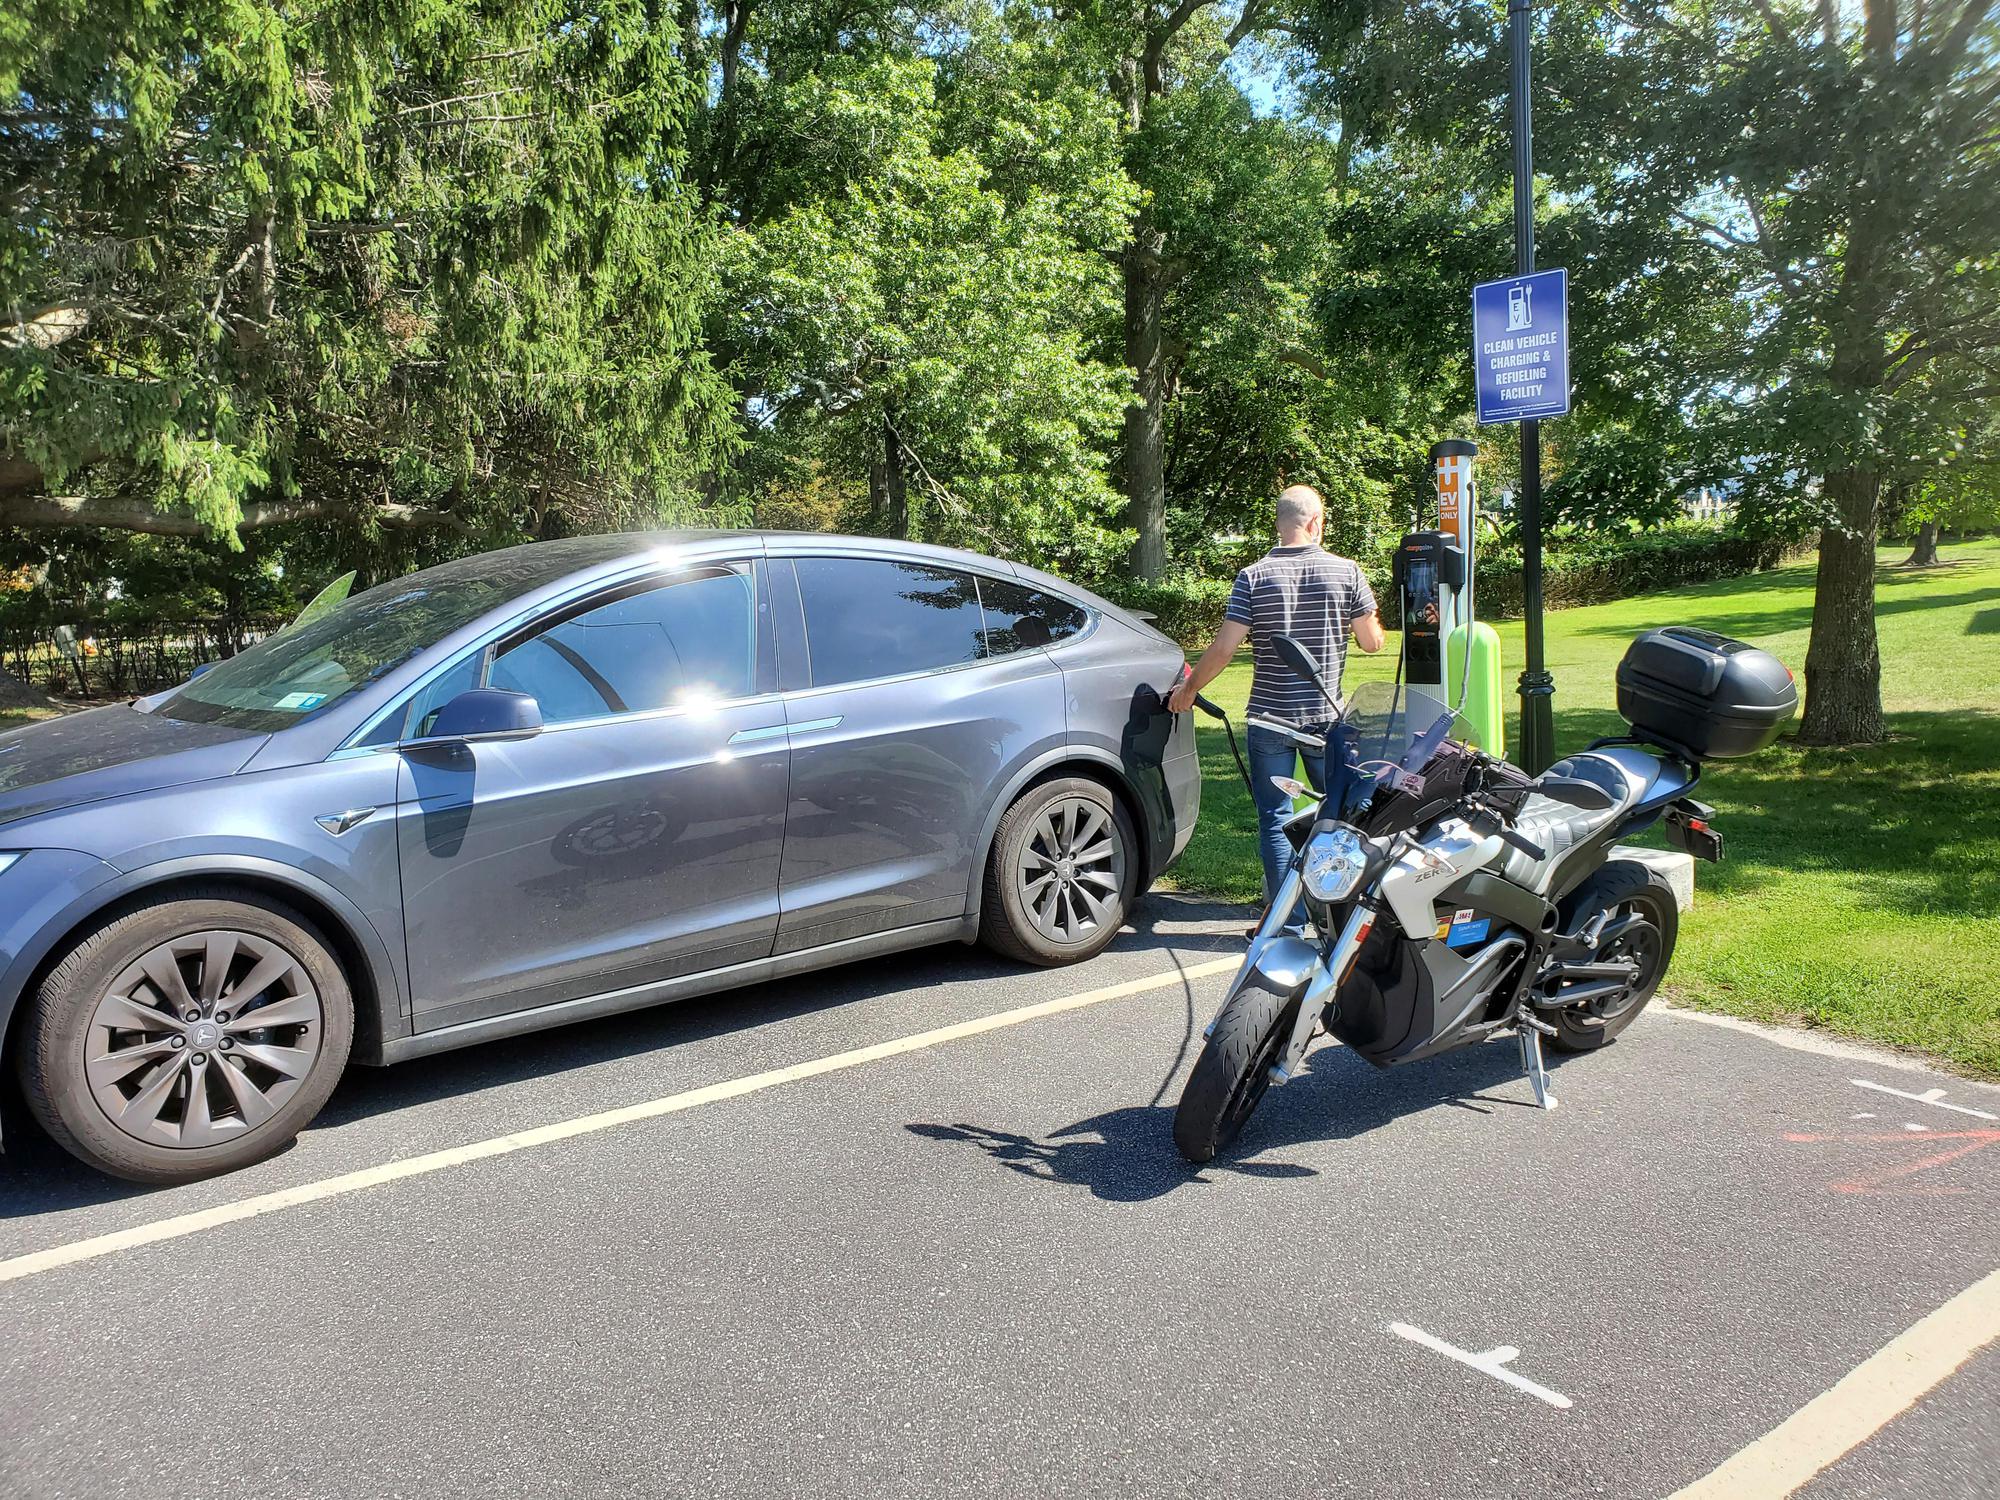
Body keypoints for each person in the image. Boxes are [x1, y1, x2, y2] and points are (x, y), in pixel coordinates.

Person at [1167, 484, 1385, 924]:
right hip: (1325, 718)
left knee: (1274, 818)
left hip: (1269, 720)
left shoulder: (1253, 576)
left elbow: (1224, 648)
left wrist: (1188, 690)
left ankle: (1288, 920)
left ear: (1280, 524)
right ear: (1316, 522)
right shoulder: (1347, 571)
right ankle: (1337, 916)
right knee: (1338, 817)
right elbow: (1371, 642)